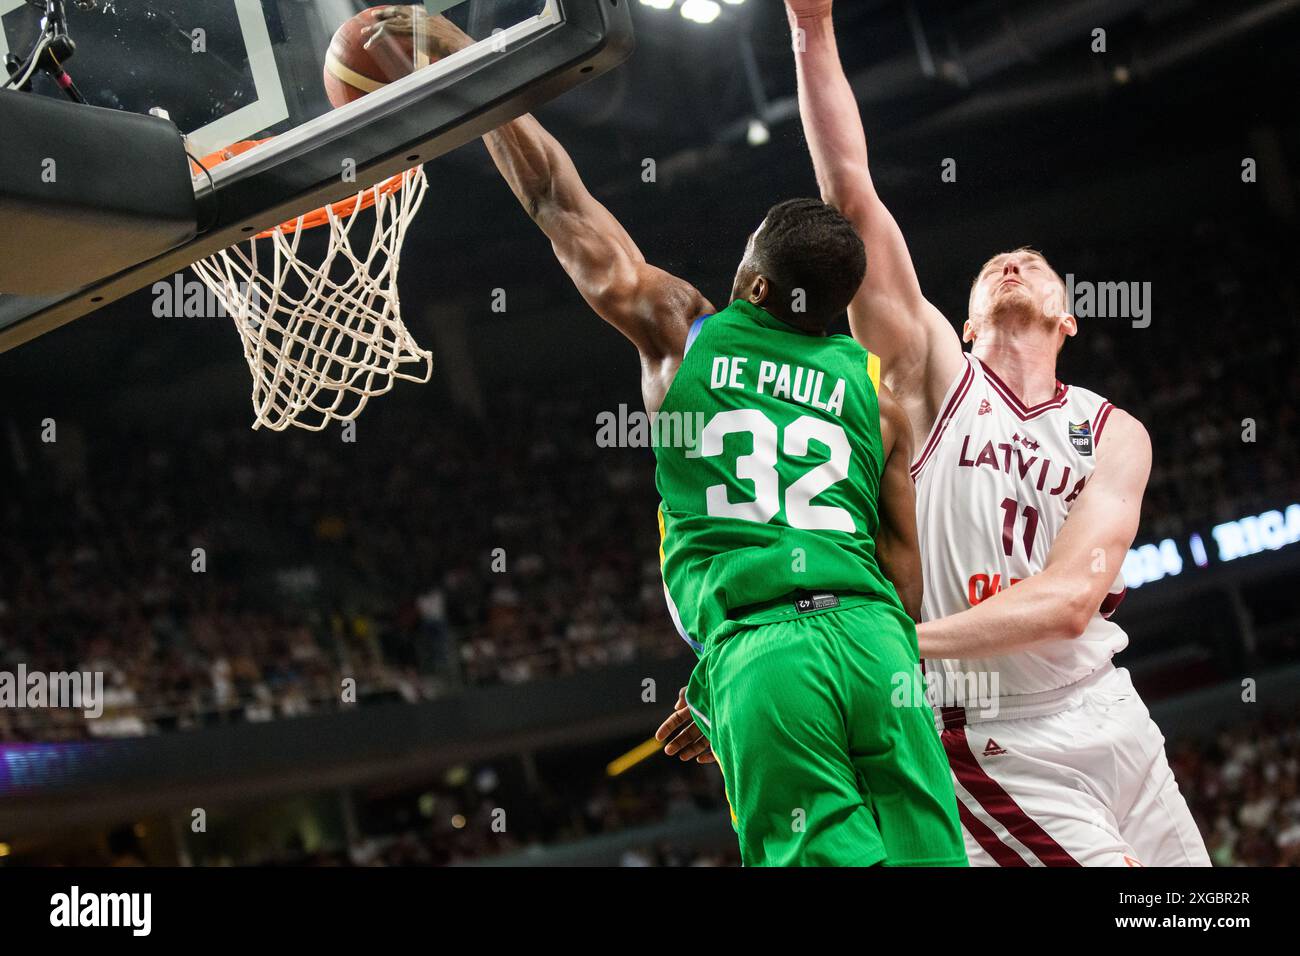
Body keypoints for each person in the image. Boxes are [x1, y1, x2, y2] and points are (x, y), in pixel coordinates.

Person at [364, 5, 965, 867]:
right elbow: (903, 581)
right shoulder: (880, 399)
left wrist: (466, 64)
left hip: (763, 656)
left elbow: (553, 198)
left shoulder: (683, 332)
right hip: (878, 649)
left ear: (755, 285)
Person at [773, 0, 1210, 866]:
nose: (1014, 262)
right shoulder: (937, 376)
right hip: (994, 734)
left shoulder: (1114, 432)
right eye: (992, 267)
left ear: (1069, 318)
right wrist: (811, 31)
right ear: (964, 322)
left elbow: (1071, 601)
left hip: (1112, 710)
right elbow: (851, 197)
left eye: (1036, 265)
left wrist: (891, 643)